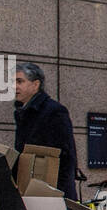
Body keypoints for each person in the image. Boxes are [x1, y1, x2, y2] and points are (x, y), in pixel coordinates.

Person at [12, 62, 78, 200]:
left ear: (35, 85)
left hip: (51, 191)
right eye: (14, 82)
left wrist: (57, 191)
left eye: (20, 81)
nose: (15, 86)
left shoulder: (54, 111)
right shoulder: (22, 113)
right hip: (29, 188)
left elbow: (66, 154)